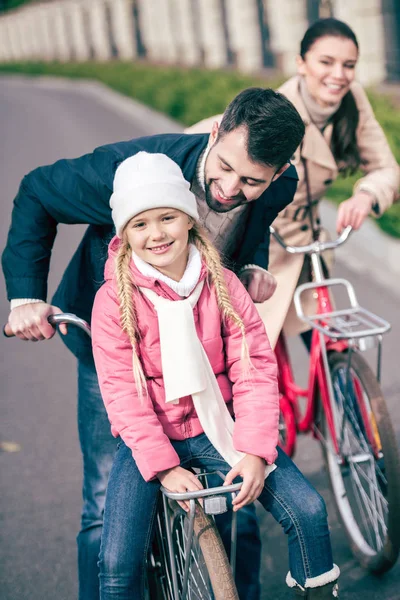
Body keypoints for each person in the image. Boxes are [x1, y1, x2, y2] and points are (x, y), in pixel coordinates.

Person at [2, 88, 305, 600]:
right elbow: (36, 190)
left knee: (234, 493)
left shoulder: (278, 185)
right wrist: (26, 296)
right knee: (105, 501)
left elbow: (255, 223)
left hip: (204, 355)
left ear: (275, 174)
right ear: (214, 134)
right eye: (225, 167)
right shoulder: (136, 173)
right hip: (120, 352)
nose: (230, 188)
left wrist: (252, 264)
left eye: (251, 180)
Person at [91, 150, 340, 599]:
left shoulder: (224, 284)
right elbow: (122, 393)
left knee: (308, 510)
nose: (156, 234)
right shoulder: (113, 300)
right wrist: (164, 467)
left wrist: (254, 449)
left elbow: (254, 368)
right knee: (116, 562)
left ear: (189, 219)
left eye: (167, 217)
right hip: (152, 438)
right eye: (140, 225)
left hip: (218, 425)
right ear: (125, 234)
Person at [186, 18, 400, 349]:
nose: (339, 75)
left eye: (349, 65)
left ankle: (340, 392)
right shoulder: (278, 110)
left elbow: (387, 169)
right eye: (326, 62)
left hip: (308, 243)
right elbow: (209, 138)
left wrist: (367, 194)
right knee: (254, 355)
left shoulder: (352, 101)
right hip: (263, 244)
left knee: (329, 343)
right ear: (301, 63)